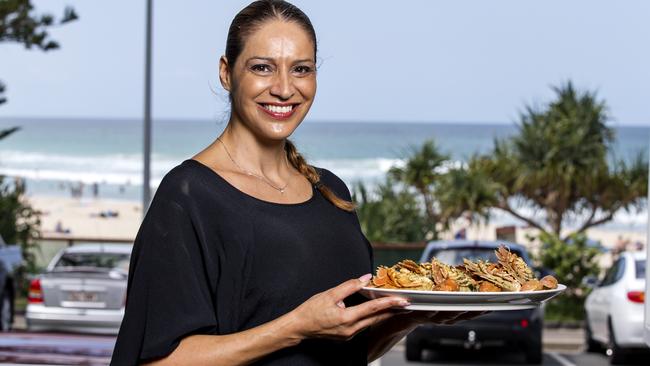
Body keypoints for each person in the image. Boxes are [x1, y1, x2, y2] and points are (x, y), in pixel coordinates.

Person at [111, 1, 479, 365]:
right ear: (227, 72)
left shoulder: (331, 194)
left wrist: (408, 319)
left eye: (301, 69)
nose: (285, 89)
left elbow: (345, 350)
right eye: (262, 68)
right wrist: (295, 328)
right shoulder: (188, 196)